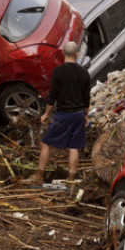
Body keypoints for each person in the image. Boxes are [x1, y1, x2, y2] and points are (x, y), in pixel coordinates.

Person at [26, 41, 91, 186]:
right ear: (76, 54)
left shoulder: (58, 72)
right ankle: (71, 179)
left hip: (64, 114)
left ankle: (38, 176)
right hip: (79, 114)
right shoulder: (84, 73)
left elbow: (52, 96)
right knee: (74, 147)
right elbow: (86, 98)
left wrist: (46, 114)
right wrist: (85, 115)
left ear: (63, 54)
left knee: (45, 143)